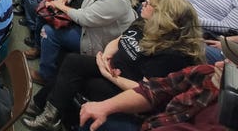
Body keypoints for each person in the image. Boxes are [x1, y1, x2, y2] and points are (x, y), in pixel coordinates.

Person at [25, 0, 204, 130]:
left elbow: (147, 92)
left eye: (150, 3)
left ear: (162, 16)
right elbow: (120, 40)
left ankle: (50, 114)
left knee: (82, 81)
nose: (144, 3)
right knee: (72, 62)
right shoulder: (144, 23)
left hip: (128, 89)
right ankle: (43, 107)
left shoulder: (172, 54)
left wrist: (109, 74)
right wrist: (107, 54)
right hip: (113, 68)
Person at [78, 37, 238, 131]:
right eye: (226, 59)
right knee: (90, 116)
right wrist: (106, 106)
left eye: (232, 66)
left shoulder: (229, 117)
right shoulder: (206, 72)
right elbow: (153, 90)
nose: (219, 64)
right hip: (151, 123)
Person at [31, 0, 138, 85]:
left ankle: (46, 75)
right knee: (43, 14)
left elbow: (86, 18)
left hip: (91, 35)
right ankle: (38, 49)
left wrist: (61, 7)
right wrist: (62, 1)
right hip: (73, 18)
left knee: (49, 31)